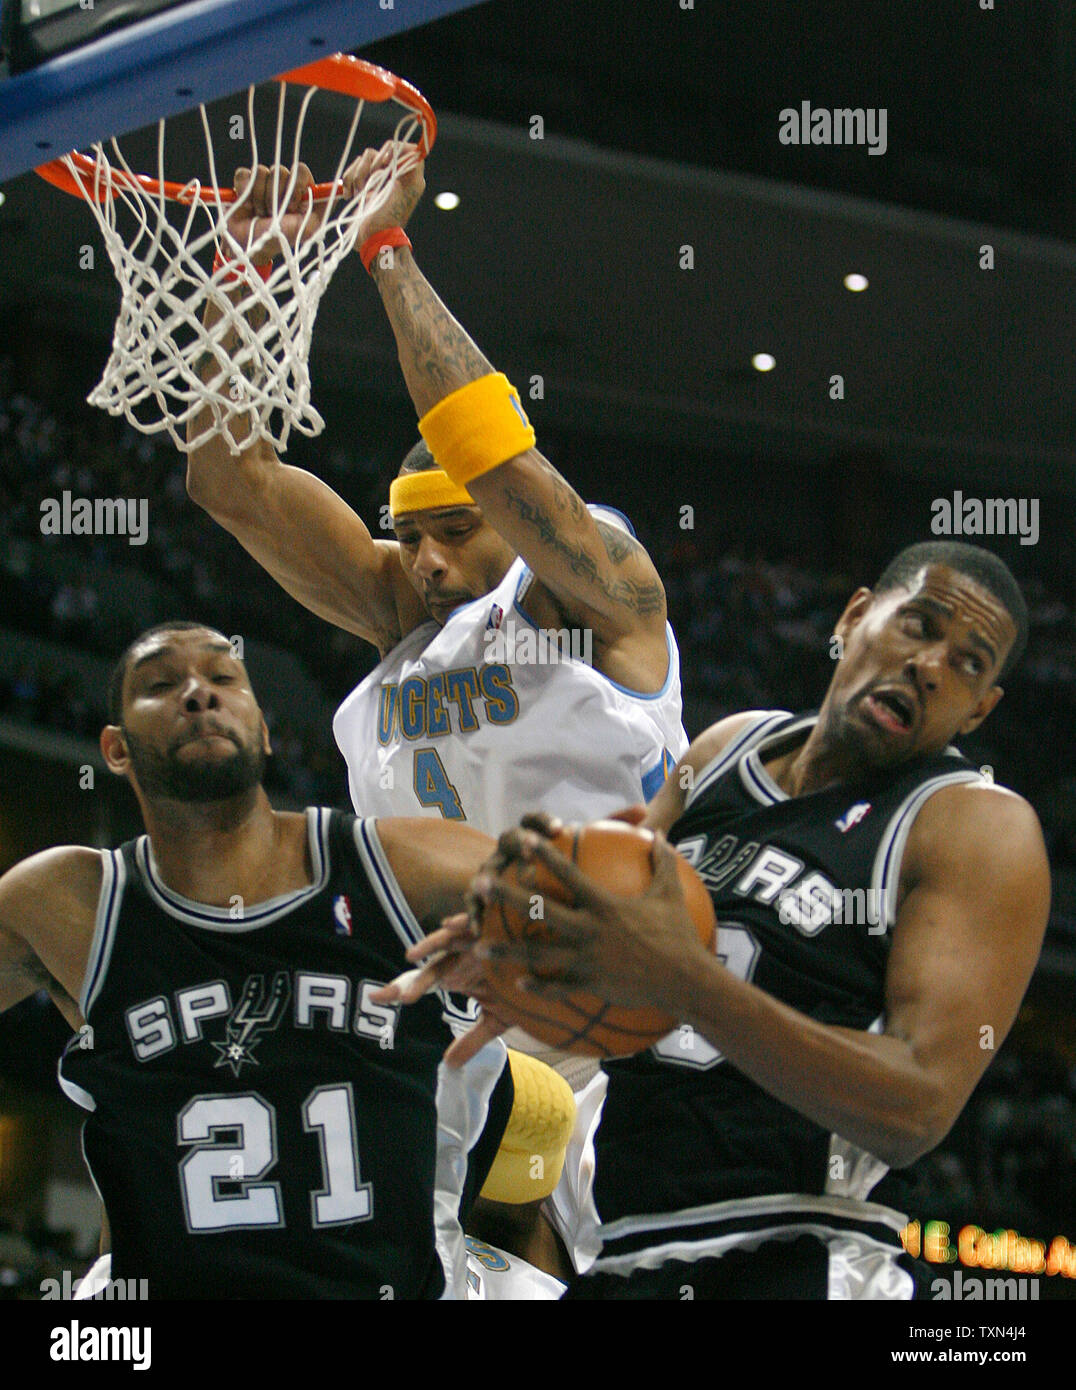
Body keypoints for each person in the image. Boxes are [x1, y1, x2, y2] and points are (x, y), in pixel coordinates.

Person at [388, 542, 1052, 1299]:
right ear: (857, 615)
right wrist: (521, 942)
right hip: (625, 1254)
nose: (931, 666)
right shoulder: (728, 748)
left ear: (981, 707)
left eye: (969, 664)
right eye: (919, 626)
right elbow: (607, 910)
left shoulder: (973, 825)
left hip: (801, 1253)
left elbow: (917, 1107)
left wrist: (687, 982)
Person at [0, 621, 518, 1299]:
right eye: (161, 684)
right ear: (116, 749)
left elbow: (621, 919)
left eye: (223, 677)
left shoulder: (401, 866)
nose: (198, 695)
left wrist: (541, 959)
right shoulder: (73, 903)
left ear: (266, 730)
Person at [184, 150, 687, 838]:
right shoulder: (401, 611)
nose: (426, 560)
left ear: (511, 522)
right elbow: (226, 481)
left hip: (609, 927)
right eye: (410, 533)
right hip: (436, 940)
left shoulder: (599, 583)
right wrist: (244, 269)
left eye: (456, 529)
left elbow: (493, 456)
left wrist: (384, 248)